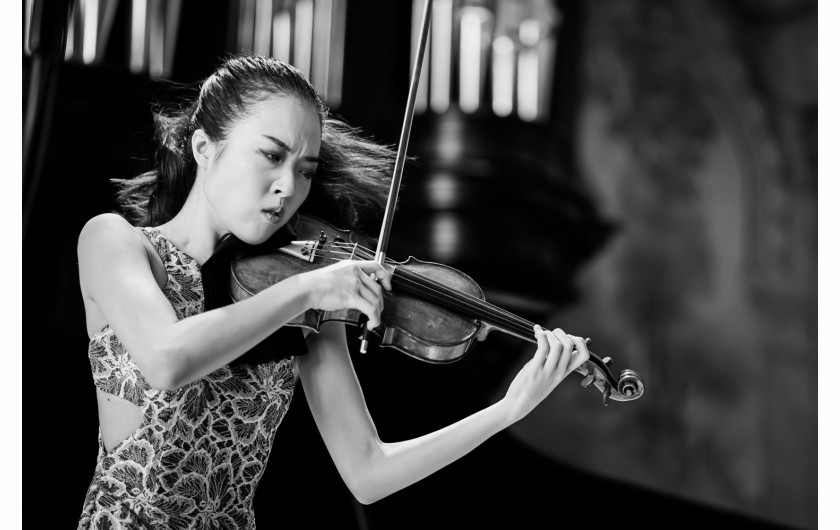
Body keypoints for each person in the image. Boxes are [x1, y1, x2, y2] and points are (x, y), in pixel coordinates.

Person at [77, 54, 590, 529]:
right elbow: (168, 359)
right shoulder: (117, 244)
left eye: (304, 171)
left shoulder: (304, 297)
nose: (288, 187)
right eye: (270, 156)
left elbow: (368, 473)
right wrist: (310, 288)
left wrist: (506, 411)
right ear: (205, 147)